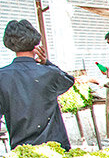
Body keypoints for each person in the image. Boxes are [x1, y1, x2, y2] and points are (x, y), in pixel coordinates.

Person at [0, 20, 74, 150]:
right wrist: (47, 63)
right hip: (55, 146)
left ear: (9, 45)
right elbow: (68, 80)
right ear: (36, 45)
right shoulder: (49, 72)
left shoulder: (2, 76)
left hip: (23, 150)